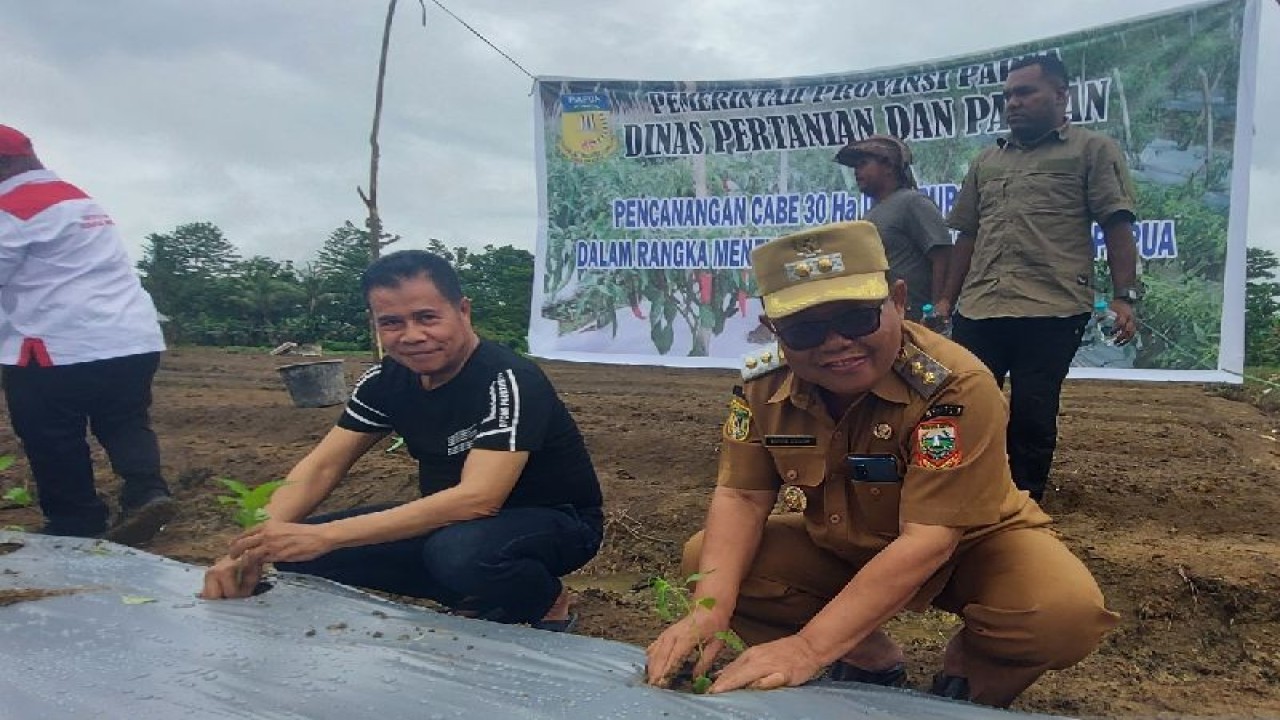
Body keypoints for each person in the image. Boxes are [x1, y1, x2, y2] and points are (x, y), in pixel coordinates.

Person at [644, 221, 1117, 707]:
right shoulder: (762, 386)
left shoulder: (956, 386)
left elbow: (931, 540)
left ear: (897, 301)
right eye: (805, 329)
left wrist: (809, 647)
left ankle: (973, 666)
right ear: (774, 329)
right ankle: (869, 657)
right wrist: (708, 613)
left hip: (971, 547)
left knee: (1063, 615)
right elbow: (741, 497)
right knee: (710, 563)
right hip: (843, 545)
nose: (835, 343)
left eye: (855, 319)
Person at [201, 250, 604, 631]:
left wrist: (324, 536)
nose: (412, 336)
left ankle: (546, 598)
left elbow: (480, 498)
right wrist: (254, 547)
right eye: (391, 322)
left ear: (463, 311)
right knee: (297, 553)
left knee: (457, 554)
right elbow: (323, 466)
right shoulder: (384, 381)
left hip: (556, 521)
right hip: (451, 521)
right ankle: (477, 594)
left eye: (427, 317)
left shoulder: (508, 379)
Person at [935, 53, 1141, 501]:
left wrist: (1125, 297)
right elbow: (967, 234)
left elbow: (1116, 224)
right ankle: (959, 493)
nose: (1014, 102)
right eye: (1008, 94)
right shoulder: (986, 160)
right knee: (964, 404)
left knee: (1031, 410)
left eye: (1025, 92)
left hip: (1052, 308)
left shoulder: (1091, 150)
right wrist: (946, 299)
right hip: (981, 306)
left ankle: (1021, 500)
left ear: (1060, 95)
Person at [0, 124, 175, 545]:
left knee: (51, 434)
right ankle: (146, 492)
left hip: (60, 346)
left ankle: (76, 523)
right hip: (131, 338)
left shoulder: (12, 208)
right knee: (125, 420)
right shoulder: (78, 199)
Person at [834, 135, 952, 323]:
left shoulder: (912, 202)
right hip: (886, 321)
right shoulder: (872, 213)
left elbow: (943, 255)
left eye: (863, 164)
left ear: (888, 166)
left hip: (917, 322)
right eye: (855, 166)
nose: (857, 171)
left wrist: (939, 307)